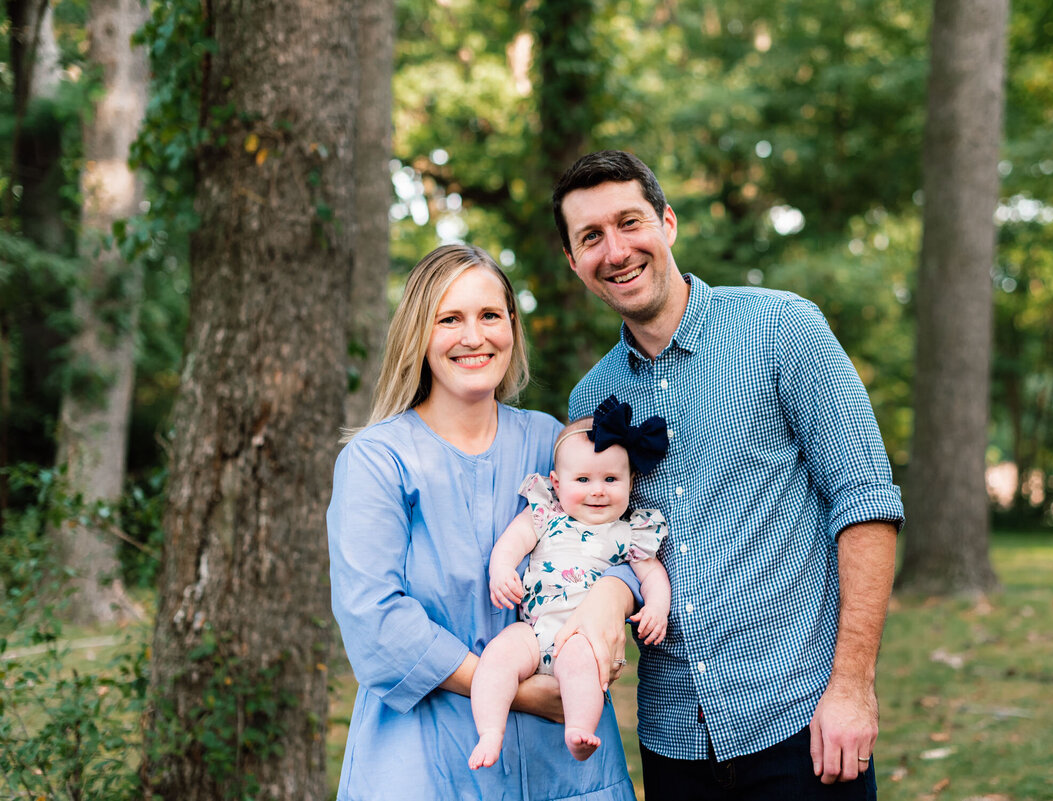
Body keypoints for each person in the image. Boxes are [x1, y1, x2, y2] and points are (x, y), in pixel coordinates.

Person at [549, 151, 906, 800]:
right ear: (574, 263)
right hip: (672, 739)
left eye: (630, 222)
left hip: (802, 721)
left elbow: (866, 502)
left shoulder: (783, 328)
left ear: (668, 222)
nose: (616, 249)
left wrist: (853, 685)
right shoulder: (590, 402)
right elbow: (603, 543)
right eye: (591, 237)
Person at [326, 244, 636, 800]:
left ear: (512, 327)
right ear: (419, 334)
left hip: (562, 756)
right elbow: (374, 619)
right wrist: (515, 692)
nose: (474, 336)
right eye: (450, 319)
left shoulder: (552, 442)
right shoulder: (378, 460)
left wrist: (614, 593)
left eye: (490, 315)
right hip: (424, 757)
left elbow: (619, 539)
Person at [469, 399, 671, 768]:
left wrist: (657, 606)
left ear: (630, 483)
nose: (597, 490)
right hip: (531, 631)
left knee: (582, 667)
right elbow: (511, 544)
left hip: (580, 637)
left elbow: (652, 574)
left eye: (611, 480)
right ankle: (490, 732)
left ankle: (578, 729)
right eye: (583, 480)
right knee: (497, 658)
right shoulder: (545, 515)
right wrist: (501, 571)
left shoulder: (628, 532)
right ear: (557, 484)